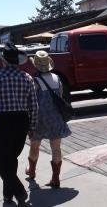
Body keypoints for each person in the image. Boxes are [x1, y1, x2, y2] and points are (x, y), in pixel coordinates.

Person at [0, 42, 38, 207]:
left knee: (2, 160)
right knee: (11, 159)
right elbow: (34, 105)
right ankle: (8, 196)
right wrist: (32, 127)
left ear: (4, 60)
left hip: (5, 122)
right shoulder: (27, 78)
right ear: (17, 61)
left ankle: (19, 192)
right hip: (22, 121)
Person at [25, 50, 71, 188]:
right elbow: (61, 96)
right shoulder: (57, 79)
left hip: (39, 119)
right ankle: (55, 179)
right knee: (56, 148)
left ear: (36, 65)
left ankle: (31, 171)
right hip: (56, 118)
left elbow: (30, 101)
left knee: (35, 146)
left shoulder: (35, 81)